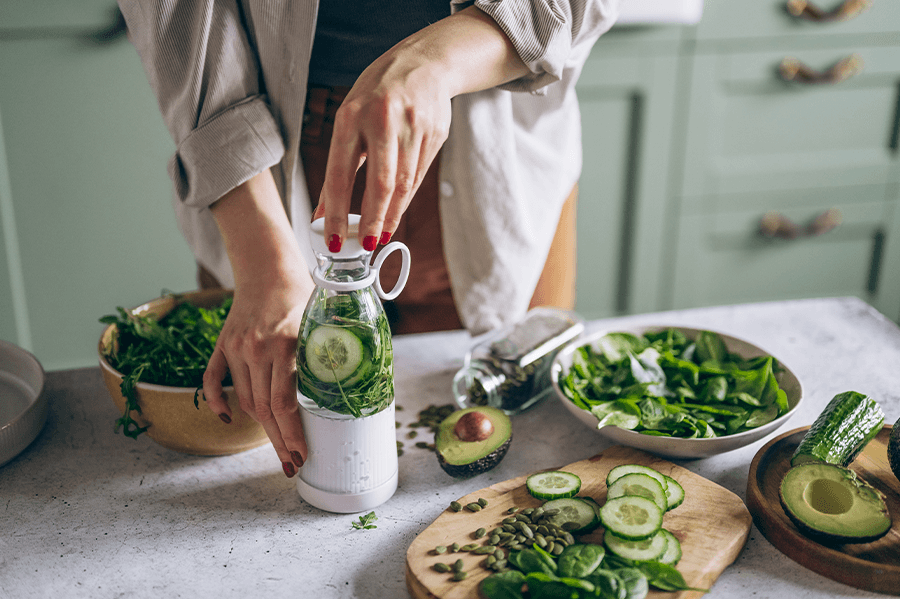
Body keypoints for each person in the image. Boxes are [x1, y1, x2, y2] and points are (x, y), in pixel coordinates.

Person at [117, 0, 621, 478]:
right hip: (269, 166)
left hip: (497, 158)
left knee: (527, 427)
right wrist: (264, 264)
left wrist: (435, 59)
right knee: (267, 418)